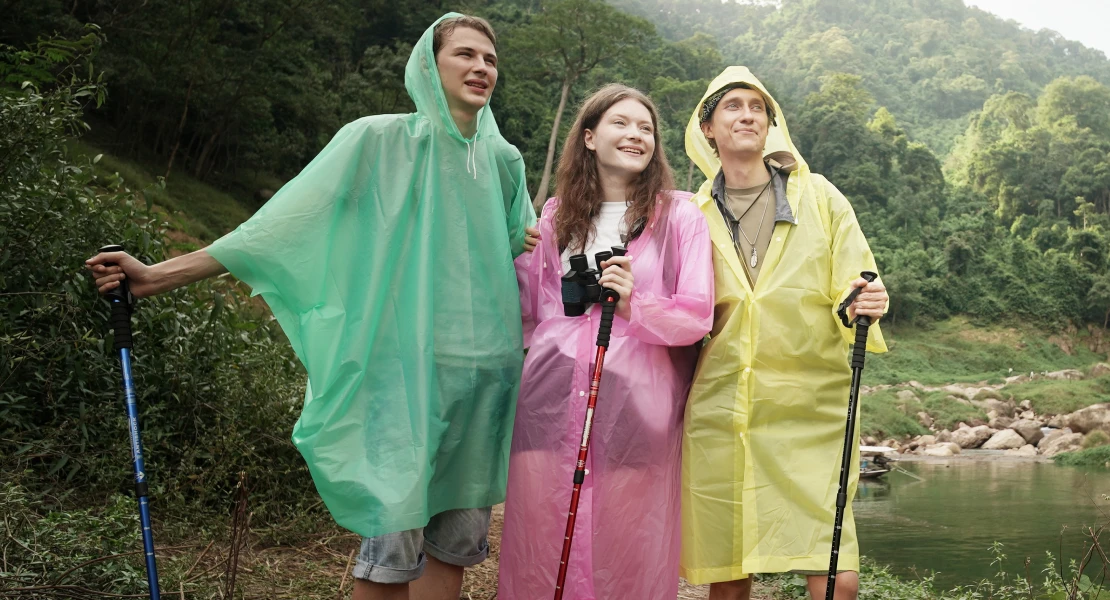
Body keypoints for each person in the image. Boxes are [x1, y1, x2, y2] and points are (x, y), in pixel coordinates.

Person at [86, 13, 536, 600]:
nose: (481, 68)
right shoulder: (377, 140)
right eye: (466, 55)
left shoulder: (504, 161)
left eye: (490, 60)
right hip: (399, 374)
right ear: (430, 65)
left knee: (454, 545)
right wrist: (155, 278)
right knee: (391, 544)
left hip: (482, 376)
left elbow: (517, 255)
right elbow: (280, 227)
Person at [679, 67, 890, 600]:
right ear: (707, 127)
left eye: (758, 107)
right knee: (729, 570)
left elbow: (855, 280)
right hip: (723, 407)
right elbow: (676, 306)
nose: (747, 115)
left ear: (771, 124)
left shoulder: (819, 196)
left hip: (811, 406)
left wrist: (865, 300)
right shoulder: (691, 213)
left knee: (833, 569)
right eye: (732, 106)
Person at [499, 84, 715, 599]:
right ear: (590, 137)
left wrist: (636, 302)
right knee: (543, 529)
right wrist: (508, 249)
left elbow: (696, 315)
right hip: (552, 400)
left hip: (638, 409)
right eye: (621, 123)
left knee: (629, 541)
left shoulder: (679, 216)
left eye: (646, 128)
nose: (636, 135)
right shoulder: (556, 216)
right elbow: (533, 310)